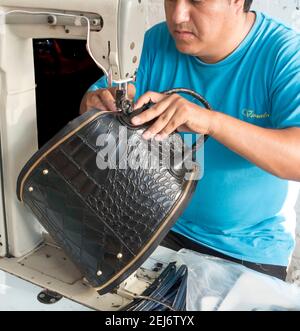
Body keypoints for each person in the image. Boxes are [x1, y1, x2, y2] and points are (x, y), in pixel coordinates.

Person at [80, 0, 300, 280]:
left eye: (196, 1)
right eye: (171, 0)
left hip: (245, 248)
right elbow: (92, 106)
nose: (178, 15)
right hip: (154, 226)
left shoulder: (285, 54)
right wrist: (97, 104)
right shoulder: (157, 39)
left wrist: (212, 122)